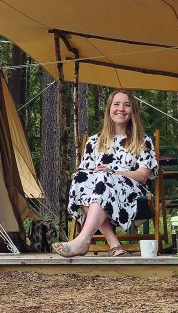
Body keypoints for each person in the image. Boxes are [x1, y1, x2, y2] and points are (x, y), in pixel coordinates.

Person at [52, 88, 158, 257]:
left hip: (131, 192)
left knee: (103, 178)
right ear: (109, 109)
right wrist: (101, 175)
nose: (121, 109)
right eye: (116, 104)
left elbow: (143, 175)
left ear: (133, 111)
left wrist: (114, 172)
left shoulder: (142, 140)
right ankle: (113, 244)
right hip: (100, 190)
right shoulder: (95, 141)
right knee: (81, 178)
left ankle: (83, 240)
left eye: (126, 105)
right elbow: (84, 173)